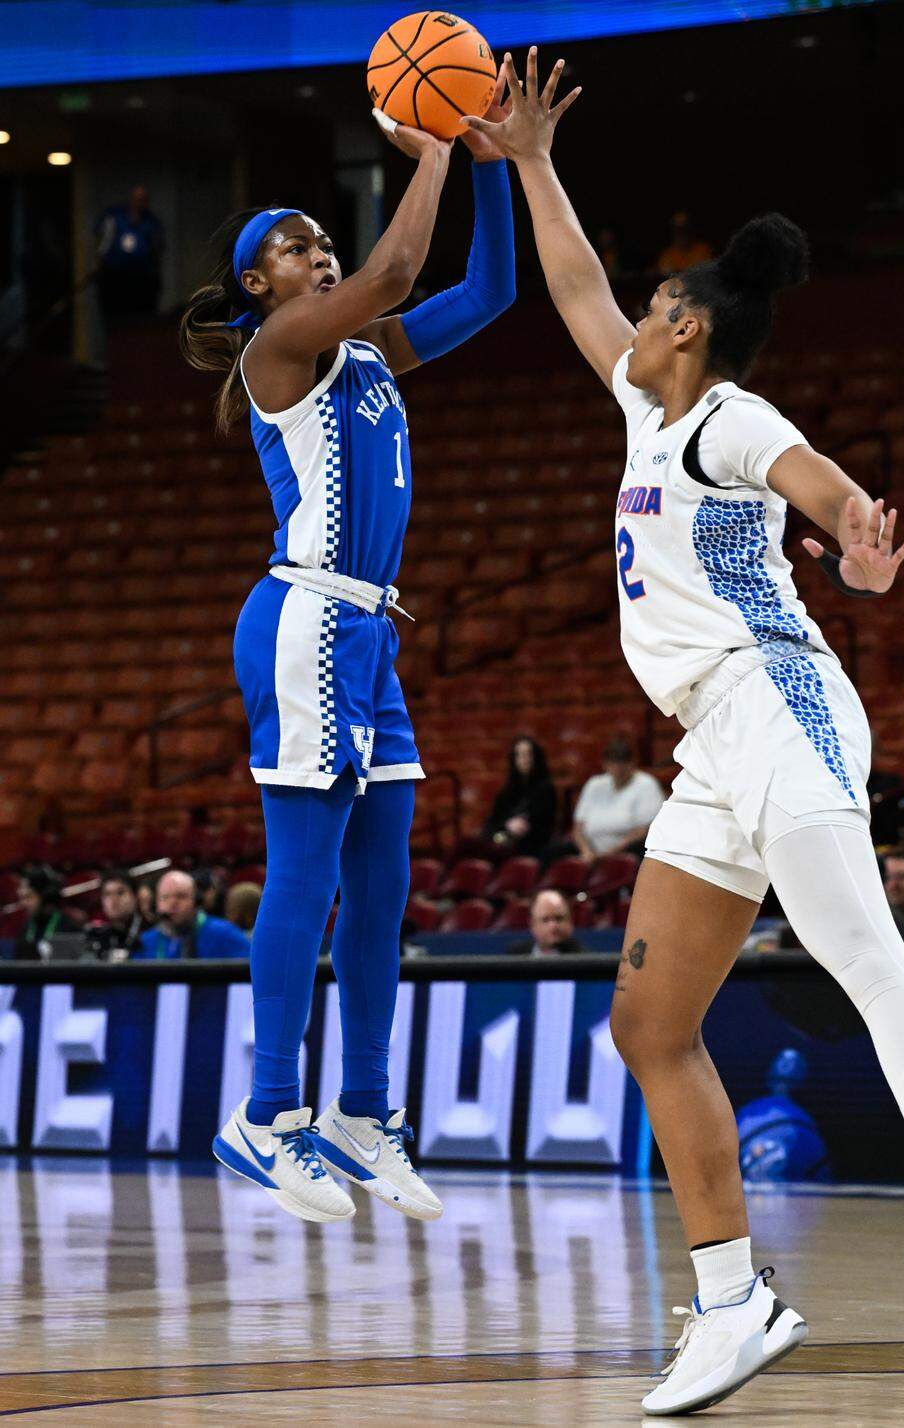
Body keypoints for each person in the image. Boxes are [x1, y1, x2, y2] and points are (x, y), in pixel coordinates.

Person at [464, 51, 904, 1415]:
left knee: (858, 948)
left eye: (661, 310)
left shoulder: (729, 418)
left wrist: (856, 547)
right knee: (649, 1025)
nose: (638, 319)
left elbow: (819, 482)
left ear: (694, 335)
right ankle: (733, 1303)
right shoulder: (644, 403)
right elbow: (580, 287)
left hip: (777, 700)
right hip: (708, 744)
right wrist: (535, 162)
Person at [178, 75, 514, 1226]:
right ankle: (266, 1116)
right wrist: (429, 145)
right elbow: (394, 274)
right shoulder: (280, 349)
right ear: (256, 285)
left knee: (384, 883)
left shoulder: (368, 355)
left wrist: (490, 158)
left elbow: (493, 288)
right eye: (290, 245)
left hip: (368, 630)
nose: (316, 253)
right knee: (308, 875)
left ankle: (360, 1111)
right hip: (306, 617)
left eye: (319, 237)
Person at [571, 736, 664, 860]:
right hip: (590, 850)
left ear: (633, 763)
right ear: (605, 764)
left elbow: (643, 831)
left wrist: (610, 853)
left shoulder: (646, 784)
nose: (618, 768)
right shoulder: (594, 784)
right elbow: (578, 828)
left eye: (623, 762)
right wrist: (586, 851)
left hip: (626, 849)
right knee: (554, 852)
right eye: (613, 762)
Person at [136, 870, 252, 959]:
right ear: (156, 903)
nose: (172, 904)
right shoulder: (146, 941)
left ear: (197, 900)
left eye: (181, 896)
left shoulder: (224, 933)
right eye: (165, 897)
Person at [94, 184, 165, 324]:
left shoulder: (152, 222)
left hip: (142, 281)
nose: (140, 203)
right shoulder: (114, 217)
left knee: (140, 322)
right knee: (115, 322)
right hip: (114, 280)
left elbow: (157, 250)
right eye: (137, 199)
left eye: (143, 200)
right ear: (130, 200)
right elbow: (101, 245)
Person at [482, 735, 557, 856]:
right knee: (467, 845)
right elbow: (493, 820)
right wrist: (506, 825)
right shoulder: (507, 791)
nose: (524, 759)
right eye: (519, 755)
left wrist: (518, 827)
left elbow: (543, 825)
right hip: (502, 839)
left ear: (536, 758)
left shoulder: (546, 790)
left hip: (529, 844)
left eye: (528, 754)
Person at [10, 867, 79, 960]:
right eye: (22, 898)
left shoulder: (69, 929)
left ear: (46, 897)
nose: (23, 903)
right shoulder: (26, 929)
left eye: (29, 897)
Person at [84, 870, 146, 958]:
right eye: (107, 894)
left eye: (120, 893)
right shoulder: (99, 937)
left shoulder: (149, 932)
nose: (113, 900)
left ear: (135, 897)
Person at [504, 889, 584, 956]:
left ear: (570, 921)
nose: (553, 926)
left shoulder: (585, 961)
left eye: (559, 918)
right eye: (545, 920)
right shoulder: (515, 956)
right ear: (533, 924)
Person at [655, 211, 713, 276]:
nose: (681, 233)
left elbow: (706, 274)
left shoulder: (704, 250)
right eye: (677, 229)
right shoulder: (667, 254)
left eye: (684, 229)